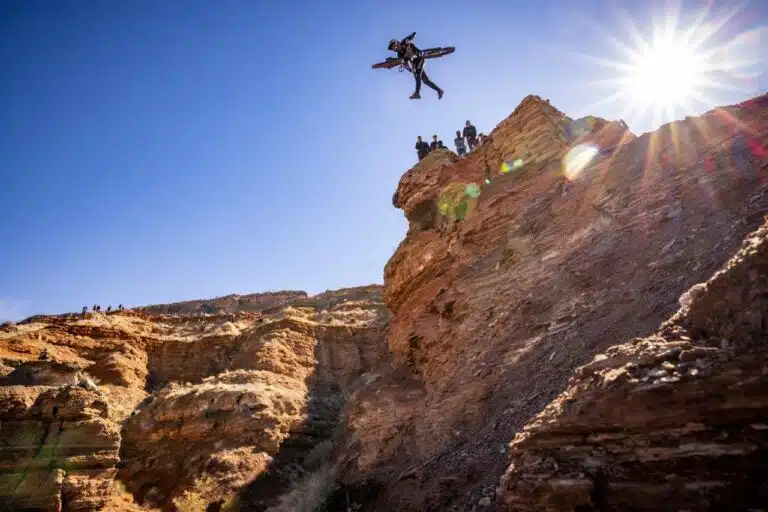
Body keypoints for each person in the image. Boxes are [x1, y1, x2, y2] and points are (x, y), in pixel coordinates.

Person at [388, 33, 444, 100]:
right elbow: (406, 65)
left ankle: (417, 93)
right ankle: (439, 91)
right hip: (414, 63)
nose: (395, 49)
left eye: (394, 46)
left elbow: (413, 34)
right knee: (425, 81)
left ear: (397, 43)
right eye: (393, 48)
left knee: (417, 74)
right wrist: (411, 69)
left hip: (419, 58)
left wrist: (411, 37)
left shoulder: (404, 41)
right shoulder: (399, 55)